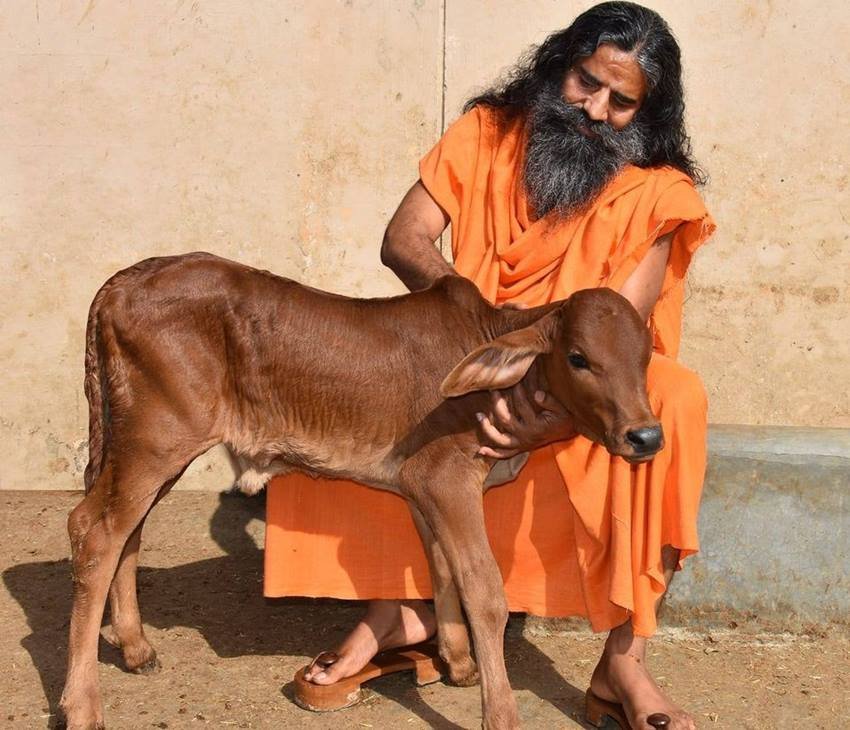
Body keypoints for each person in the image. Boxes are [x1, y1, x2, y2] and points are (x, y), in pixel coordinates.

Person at [265, 3, 715, 728]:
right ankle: (395, 613)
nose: (595, 110)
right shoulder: (487, 134)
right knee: (340, 380)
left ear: (647, 114)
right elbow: (405, 236)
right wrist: (462, 314)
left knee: (677, 399)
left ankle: (622, 664)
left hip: (577, 382)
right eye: (585, 82)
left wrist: (537, 412)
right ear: (558, 65)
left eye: (621, 102)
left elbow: (617, 332)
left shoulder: (657, 194)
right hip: (464, 350)